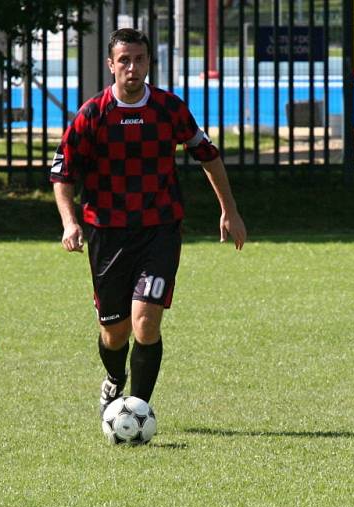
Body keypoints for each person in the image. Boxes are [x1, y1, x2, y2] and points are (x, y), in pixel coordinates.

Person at [50, 28, 246, 423]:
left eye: (139, 59)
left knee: (145, 322)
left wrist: (230, 210)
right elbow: (62, 173)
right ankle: (112, 377)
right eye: (124, 60)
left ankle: (135, 410)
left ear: (148, 63)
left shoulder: (169, 108)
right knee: (115, 332)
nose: (132, 67)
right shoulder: (92, 115)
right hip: (106, 232)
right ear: (111, 65)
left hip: (159, 229)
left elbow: (207, 154)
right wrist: (70, 223)